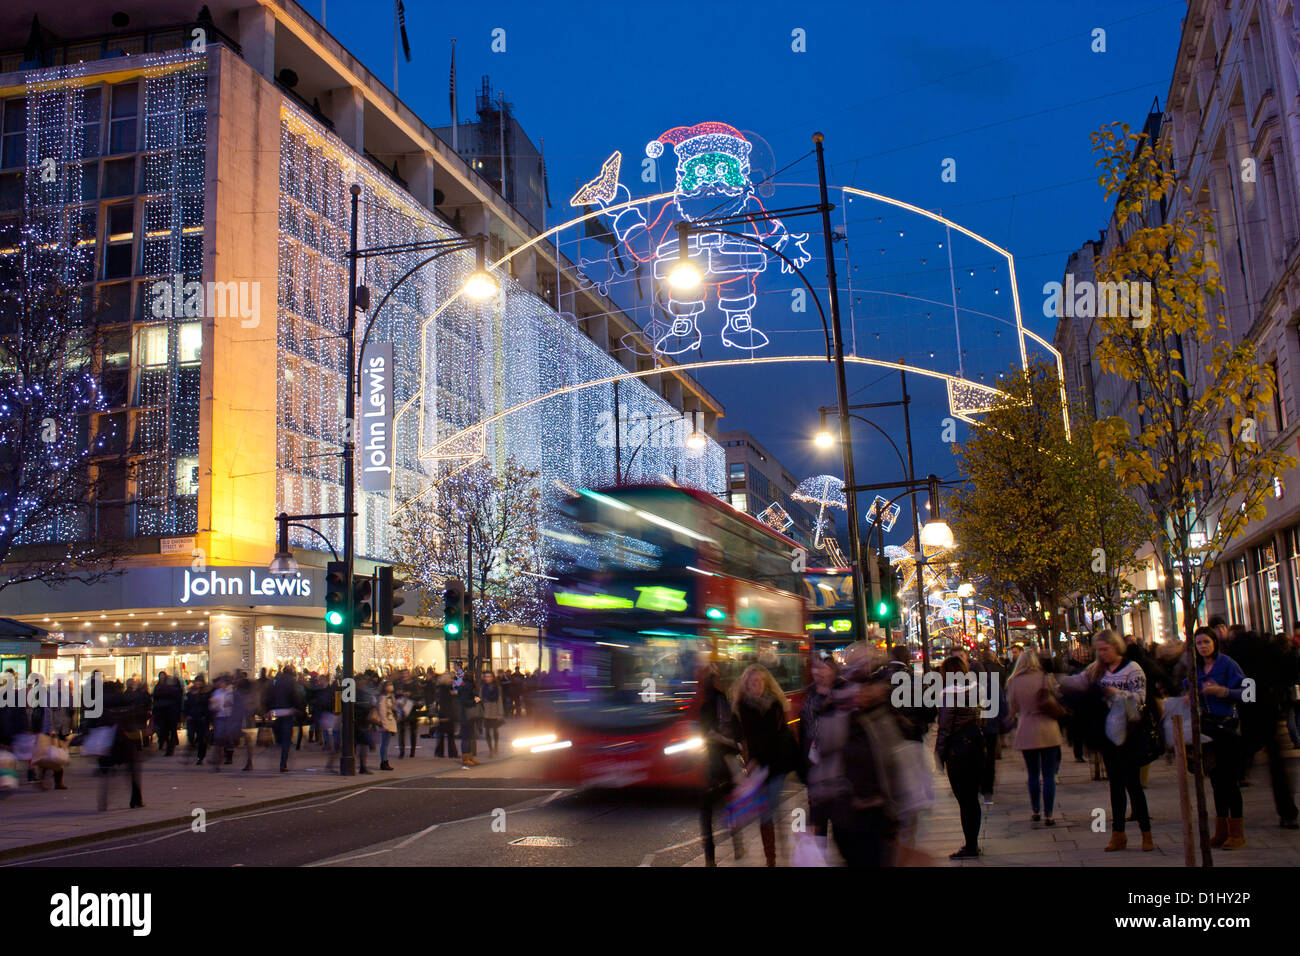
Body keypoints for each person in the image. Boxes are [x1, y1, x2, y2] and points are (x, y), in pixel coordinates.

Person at [1184, 626, 1249, 848]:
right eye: (1199, 643)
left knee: (1229, 781)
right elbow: (1187, 687)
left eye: (1206, 642)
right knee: (1216, 781)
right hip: (1206, 727)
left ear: (1214, 643)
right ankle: (1221, 830)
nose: (1202, 647)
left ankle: (1237, 833)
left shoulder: (1227, 664)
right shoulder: (1195, 667)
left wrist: (1224, 692)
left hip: (1227, 728)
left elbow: (1249, 692)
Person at [1091, 629, 1154, 852]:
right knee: (1115, 785)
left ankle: (1146, 833)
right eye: (1098, 650)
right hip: (1108, 734)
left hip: (1130, 733)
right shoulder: (1098, 669)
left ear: (1116, 646)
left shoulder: (1133, 669)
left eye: (1105, 649)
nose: (1102, 654)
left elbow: (1140, 699)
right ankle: (1118, 834)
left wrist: (1115, 693)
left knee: (1133, 784)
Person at [1228, 629, 1298, 829]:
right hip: (1268, 712)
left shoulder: (1235, 656)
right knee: (1277, 765)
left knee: (1239, 758)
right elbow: (1288, 673)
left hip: (1246, 714)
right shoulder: (1267, 652)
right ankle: (1288, 811)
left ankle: (1233, 811)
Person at [731, 663, 798, 866]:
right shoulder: (741, 707)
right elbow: (742, 735)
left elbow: (776, 737)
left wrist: (756, 760)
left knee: (770, 809)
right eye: (752, 682)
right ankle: (772, 858)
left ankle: (779, 852)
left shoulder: (775, 704)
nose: (756, 685)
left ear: (766, 683)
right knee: (766, 815)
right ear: (746, 685)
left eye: (759, 681)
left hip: (775, 764)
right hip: (757, 768)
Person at [935, 655, 985, 859]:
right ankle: (973, 842)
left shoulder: (949, 693)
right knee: (972, 799)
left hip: (958, 751)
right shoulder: (976, 689)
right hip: (976, 747)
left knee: (964, 800)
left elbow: (945, 728)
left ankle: (971, 846)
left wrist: (939, 754)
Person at [1006, 649, 1063, 825]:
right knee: (1048, 775)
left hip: (1027, 728)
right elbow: (1057, 699)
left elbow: (1013, 708)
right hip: (1048, 729)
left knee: (1032, 774)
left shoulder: (1014, 681)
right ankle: (1049, 814)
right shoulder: (1046, 678)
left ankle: (1035, 810)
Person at [697, 663, 744, 866]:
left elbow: (710, 735)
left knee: (708, 811)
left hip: (717, 764)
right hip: (720, 763)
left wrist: (718, 738)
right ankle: (735, 845)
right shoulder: (720, 703)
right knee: (726, 806)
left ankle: (711, 858)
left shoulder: (710, 703)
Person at [798, 653, 843, 841]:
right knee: (817, 812)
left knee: (840, 814)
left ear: (832, 672)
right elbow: (804, 727)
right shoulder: (809, 694)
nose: (819, 673)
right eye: (816, 669)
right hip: (814, 761)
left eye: (823, 669)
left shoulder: (841, 691)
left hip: (838, 760)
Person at [267, 665, 305, 773]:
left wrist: (268, 708)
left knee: (279, 738)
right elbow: (296, 696)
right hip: (287, 712)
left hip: (276, 712)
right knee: (286, 740)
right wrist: (298, 708)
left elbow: (269, 695)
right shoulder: (292, 682)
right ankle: (283, 764)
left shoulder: (275, 681)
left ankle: (277, 750)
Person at [151, 671, 182, 756]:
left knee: (166, 731)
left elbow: (155, 699)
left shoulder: (159, 688)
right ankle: (169, 747)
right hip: (168, 713)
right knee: (169, 731)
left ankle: (168, 746)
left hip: (165, 713)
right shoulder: (174, 689)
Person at [454, 668, 481, 767]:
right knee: (467, 737)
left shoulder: (462, 685)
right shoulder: (468, 687)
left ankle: (468, 757)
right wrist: (475, 700)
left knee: (468, 736)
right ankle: (466, 758)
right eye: (473, 676)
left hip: (464, 714)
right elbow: (465, 701)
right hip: (467, 714)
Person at [183, 675, 211, 766]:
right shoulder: (190, 693)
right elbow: (186, 705)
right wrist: (186, 715)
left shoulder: (206, 693)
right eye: (196, 682)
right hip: (192, 718)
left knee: (202, 739)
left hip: (202, 719)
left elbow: (208, 707)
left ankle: (200, 757)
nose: (198, 683)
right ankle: (192, 749)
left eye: (200, 682)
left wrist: (206, 716)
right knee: (190, 736)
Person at [434, 671, 459, 759]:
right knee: (449, 735)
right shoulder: (445, 690)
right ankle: (451, 753)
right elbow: (444, 703)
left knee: (443, 734)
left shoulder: (444, 689)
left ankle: (441, 752)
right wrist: (445, 716)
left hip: (446, 714)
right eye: (451, 678)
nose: (452, 680)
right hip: (447, 714)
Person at [480, 670, 506, 756]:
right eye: (486, 676)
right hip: (486, 712)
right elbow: (480, 699)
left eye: (489, 676)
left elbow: (499, 700)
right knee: (487, 732)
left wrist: (500, 713)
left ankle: (496, 746)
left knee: (495, 731)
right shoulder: (483, 687)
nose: (487, 678)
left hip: (494, 711)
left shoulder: (497, 687)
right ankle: (490, 749)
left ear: (493, 677)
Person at [375, 681, 398, 771]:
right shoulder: (383, 698)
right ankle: (384, 762)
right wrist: (385, 725)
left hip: (390, 722)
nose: (391, 687)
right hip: (386, 724)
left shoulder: (390, 697)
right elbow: (382, 712)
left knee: (386, 743)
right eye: (389, 685)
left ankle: (385, 761)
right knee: (384, 744)